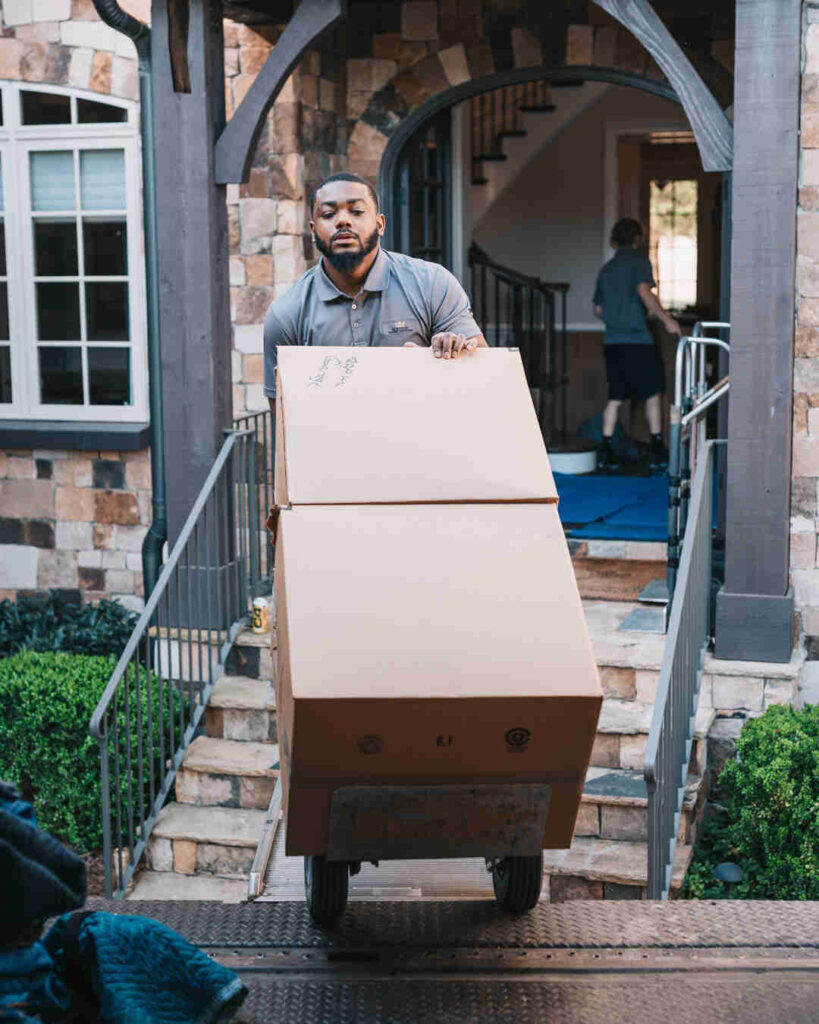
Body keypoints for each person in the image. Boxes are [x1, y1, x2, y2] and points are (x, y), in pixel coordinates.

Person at [263, 172, 487, 409]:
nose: (342, 221)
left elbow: (484, 375)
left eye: (357, 211)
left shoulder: (433, 283)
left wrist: (448, 357)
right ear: (313, 230)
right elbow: (284, 421)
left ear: (380, 224)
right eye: (328, 214)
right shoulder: (286, 313)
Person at [592, 217, 681, 471]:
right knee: (652, 393)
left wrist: (616, 315)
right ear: (637, 238)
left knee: (616, 396)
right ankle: (656, 451)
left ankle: (606, 452)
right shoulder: (640, 262)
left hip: (613, 342)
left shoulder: (606, 269)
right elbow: (645, 293)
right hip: (638, 340)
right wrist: (666, 320)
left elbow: (598, 309)